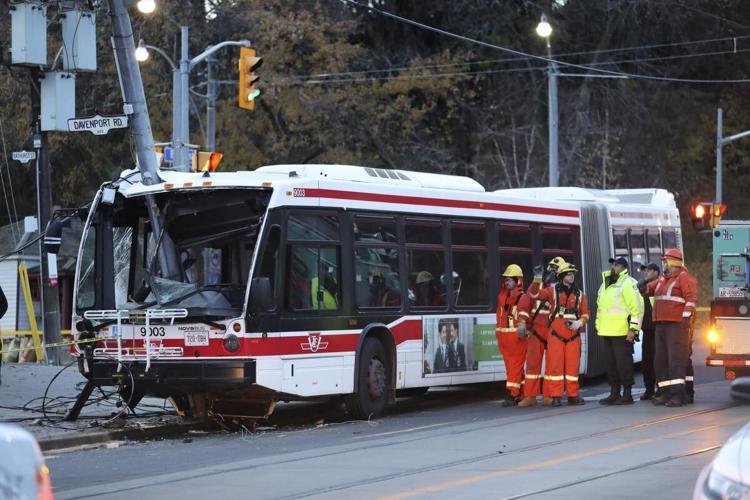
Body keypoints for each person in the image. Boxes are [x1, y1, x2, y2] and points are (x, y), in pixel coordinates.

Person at [641, 248, 698, 407]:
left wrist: (685, 320)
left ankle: (678, 395)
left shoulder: (684, 278)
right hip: (661, 325)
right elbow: (647, 291)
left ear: (673, 262)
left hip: (676, 325)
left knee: (676, 361)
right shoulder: (662, 279)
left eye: (665, 261)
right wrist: (643, 285)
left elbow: (691, 300)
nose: (663, 264)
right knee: (661, 361)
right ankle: (665, 394)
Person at [527, 262, 589, 406]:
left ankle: (573, 396)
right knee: (555, 366)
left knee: (573, 367)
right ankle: (556, 396)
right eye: (568, 274)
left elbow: (586, 313)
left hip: (573, 336)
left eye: (573, 274)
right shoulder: (551, 291)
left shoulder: (580, 294)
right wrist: (537, 278)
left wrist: (579, 323)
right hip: (556, 335)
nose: (571, 276)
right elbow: (534, 294)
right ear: (561, 276)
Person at [516, 256, 567, 407]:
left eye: (556, 270)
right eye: (552, 269)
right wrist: (522, 322)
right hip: (536, 332)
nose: (553, 272)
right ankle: (530, 396)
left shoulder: (564, 291)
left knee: (553, 367)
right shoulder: (537, 286)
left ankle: (549, 396)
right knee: (532, 366)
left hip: (553, 333)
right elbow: (525, 303)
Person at [596, 257, 644, 405]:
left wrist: (633, 330)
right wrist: (599, 326)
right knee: (610, 365)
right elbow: (600, 307)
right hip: (606, 331)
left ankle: (627, 394)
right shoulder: (605, 284)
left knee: (624, 364)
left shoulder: (628, 283)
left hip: (622, 332)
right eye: (612, 264)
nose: (613, 267)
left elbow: (637, 309)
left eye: (616, 265)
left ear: (623, 267)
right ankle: (614, 392)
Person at [495, 264, 527, 406]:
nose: (507, 282)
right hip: (505, 339)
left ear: (517, 281)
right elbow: (500, 317)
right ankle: (523, 394)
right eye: (506, 279)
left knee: (515, 366)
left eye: (510, 279)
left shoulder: (522, 297)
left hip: (517, 338)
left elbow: (523, 317)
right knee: (513, 368)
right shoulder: (503, 298)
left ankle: (511, 394)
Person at [638, 263, 660, 400]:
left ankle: (661, 389)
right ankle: (649, 389)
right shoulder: (644, 287)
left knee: (658, 361)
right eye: (645, 270)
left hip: (659, 329)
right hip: (647, 330)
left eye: (649, 270)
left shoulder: (660, 285)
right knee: (647, 362)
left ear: (657, 272)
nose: (646, 272)